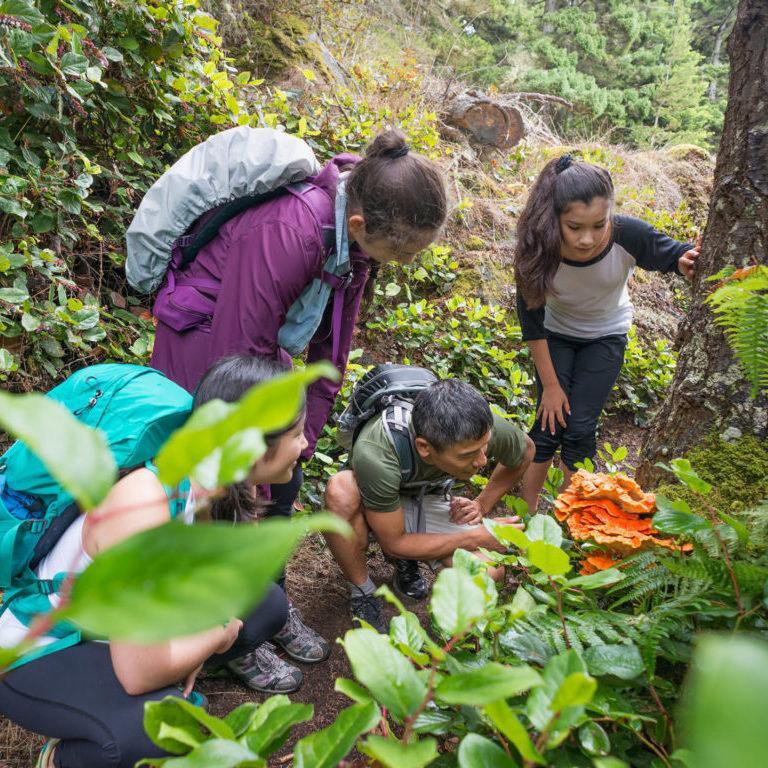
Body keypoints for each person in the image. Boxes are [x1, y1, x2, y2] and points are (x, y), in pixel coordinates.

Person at [149, 129, 448, 661]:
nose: (406, 261)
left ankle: (267, 606)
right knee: (224, 494)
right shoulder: (290, 230)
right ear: (360, 225)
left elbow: (335, 341)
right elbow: (237, 352)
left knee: (283, 486)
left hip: (262, 349)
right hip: (206, 345)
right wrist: (260, 447)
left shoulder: (352, 238)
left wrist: (305, 432)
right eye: (404, 250)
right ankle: (227, 639)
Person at [0, 356, 314, 768]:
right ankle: (65, 759)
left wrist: (193, 647)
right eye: (296, 433)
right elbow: (138, 673)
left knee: (264, 604)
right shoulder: (145, 504)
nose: (306, 444)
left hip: (113, 629)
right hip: (42, 645)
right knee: (158, 728)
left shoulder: (205, 474)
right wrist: (217, 636)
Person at [514, 154, 700, 513]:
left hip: (606, 335)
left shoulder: (628, 234)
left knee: (580, 429)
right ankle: (525, 514)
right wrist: (551, 387)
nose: (587, 238)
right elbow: (532, 323)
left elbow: (673, 254)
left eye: (599, 225)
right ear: (555, 219)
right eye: (574, 226)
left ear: (610, 214)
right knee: (548, 424)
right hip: (554, 335)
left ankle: (571, 519)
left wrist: (684, 261)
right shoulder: (538, 247)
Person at [323, 378, 534, 633]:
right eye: (467, 455)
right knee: (340, 491)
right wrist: (477, 537)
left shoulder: (476, 425)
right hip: (375, 500)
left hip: (427, 495)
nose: (481, 461)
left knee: (488, 571)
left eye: (485, 447)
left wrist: (482, 503)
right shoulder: (377, 450)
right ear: (424, 447)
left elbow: (525, 451)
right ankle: (363, 591)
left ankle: (438, 616)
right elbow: (394, 542)